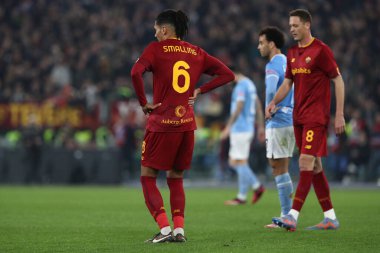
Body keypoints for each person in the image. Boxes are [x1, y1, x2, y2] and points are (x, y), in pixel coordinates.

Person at [130, 9, 234, 243]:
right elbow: (227, 74)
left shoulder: (155, 49)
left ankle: (165, 229)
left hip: (162, 123)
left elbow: (135, 72)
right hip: (187, 125)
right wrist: (200, 90)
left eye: (156, 30)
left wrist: (144, 103)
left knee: (147, 176)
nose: (155, 34)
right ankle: (179, 231)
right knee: (175, 178)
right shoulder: (196, 51)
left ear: (165, 30)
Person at [265, 9, 345, 231]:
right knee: (316, 166)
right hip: (298, 117)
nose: (291, 29)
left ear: (307, 25)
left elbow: (338, 80)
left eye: (295, 25)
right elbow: (287, 83)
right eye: (290, 25)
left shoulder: (321, 51)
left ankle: (292, 215)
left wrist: (339, 114)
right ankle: (330, 217)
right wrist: (273, 102)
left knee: (304, 163)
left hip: (316, 117)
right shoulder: (292, 53)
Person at [258, 27, 295, 228]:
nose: (259, 46)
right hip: (289, 118)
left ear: (271, 44)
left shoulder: (272, 64)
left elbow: (272, 87)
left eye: (261, 42)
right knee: (283, 167)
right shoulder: (288, 61)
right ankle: (288, 214)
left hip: (278, 119)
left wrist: (268, 108)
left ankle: (287, 214)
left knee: (277, 166)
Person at [221, 68, 265, 206]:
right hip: (248, 127)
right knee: (242, 162)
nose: (228, 83)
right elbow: (257, 105)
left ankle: (257, 186)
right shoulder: (250, 84)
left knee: (234, 162)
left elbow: (239, 107)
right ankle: (241, 196)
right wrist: (260, 126)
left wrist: (228, 127)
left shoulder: (240, 86)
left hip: (240, 129)